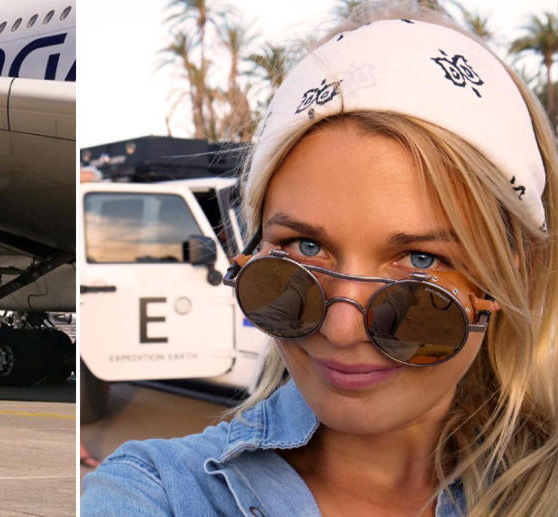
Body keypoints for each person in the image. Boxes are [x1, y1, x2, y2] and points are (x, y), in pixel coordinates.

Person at [82, 4, 558, 517]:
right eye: (305, 247)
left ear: (514, 274)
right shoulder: (154, 492)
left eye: (421, 259)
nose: (340, 328)